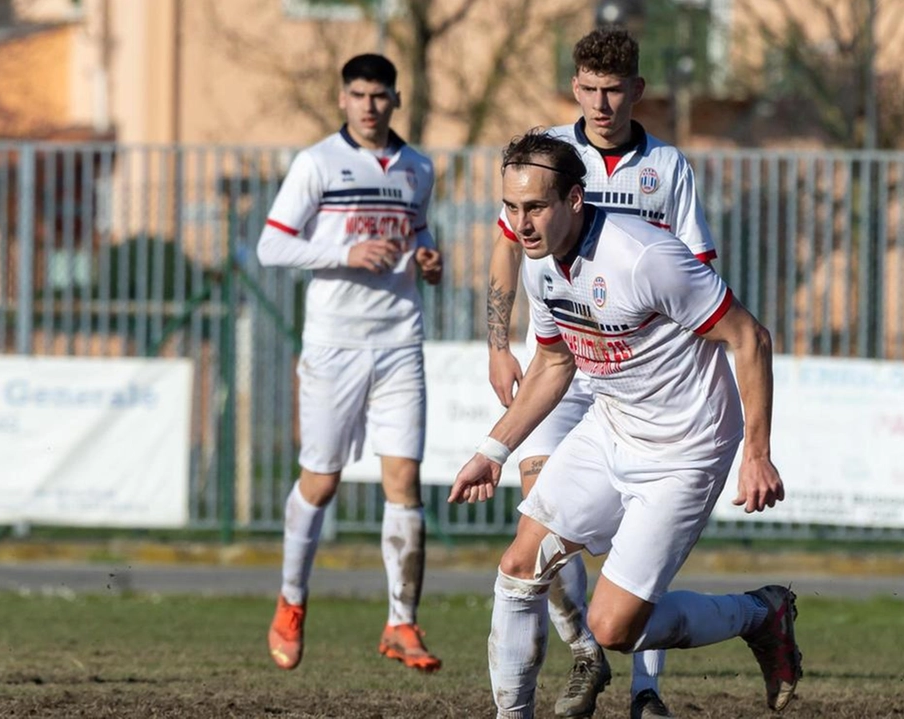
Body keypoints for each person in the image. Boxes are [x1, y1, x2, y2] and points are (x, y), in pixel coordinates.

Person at [452, 130, 802, 717]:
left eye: (535, 207)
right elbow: (554, 362)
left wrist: (758, 453)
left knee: (612, 627)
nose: (521, 223)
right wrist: (493, 450)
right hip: (610, 425)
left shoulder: (644, 257)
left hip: (684, 449)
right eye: (511, 208)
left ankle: (761, 615)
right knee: (519, 568)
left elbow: (749, 336)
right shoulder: (540, 263)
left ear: (574, 201)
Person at [484, 27, 716, 719]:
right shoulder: (548, 154)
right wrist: (499, 344)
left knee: (628, 542)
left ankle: (646, 687)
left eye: (614, 88)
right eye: (588, 87)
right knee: (539, 520)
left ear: (636, 89)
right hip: (562, 359)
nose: (601, 101)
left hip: (637, 370)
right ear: (573, 87)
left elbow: (694, 267)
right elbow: (507, 250)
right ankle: (584, 647)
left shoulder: (667, 167)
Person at [256, 53, 444, 673]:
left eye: (380, 95)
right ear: (343, 99)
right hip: (334, 343)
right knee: (322, 481)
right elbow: (272, 243)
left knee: (404, 482)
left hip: (399, 340)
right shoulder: (316, 163)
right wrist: (345, 249)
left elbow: (417, 236)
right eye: (358, 95)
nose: (369, 106)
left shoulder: (418, 167)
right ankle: (290, 601)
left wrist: (427, 259)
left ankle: (402, 622)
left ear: (395, 99)